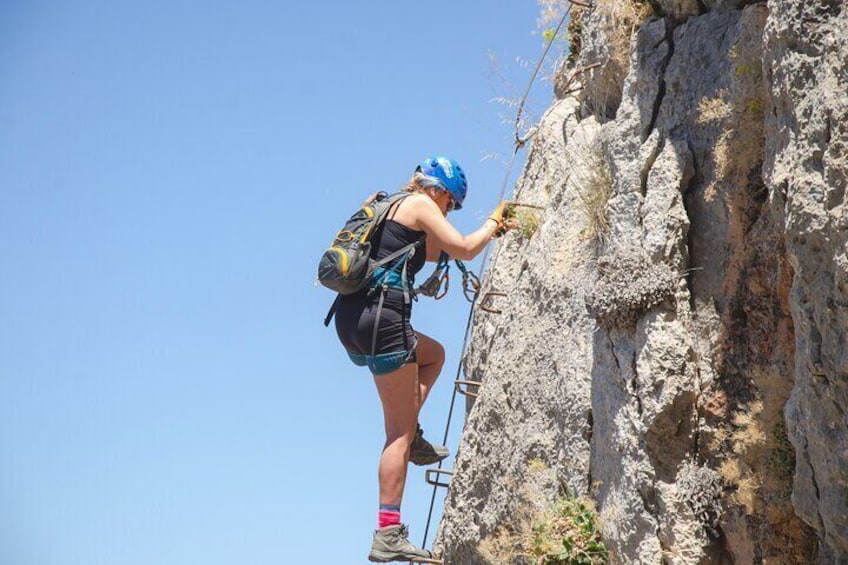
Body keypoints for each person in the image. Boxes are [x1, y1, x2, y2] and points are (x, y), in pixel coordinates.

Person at [334, 156, 513, 562]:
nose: (448, 212)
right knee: (395, 433)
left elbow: (434, 251)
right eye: (451, 204)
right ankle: (388, 533)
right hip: (384, 318)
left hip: (352, 319)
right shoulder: (421, 205)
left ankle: (411, 435)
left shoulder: (388, 203)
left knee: (433, 355)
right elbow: (465, 248)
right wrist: (493, 224)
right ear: (442, 192)